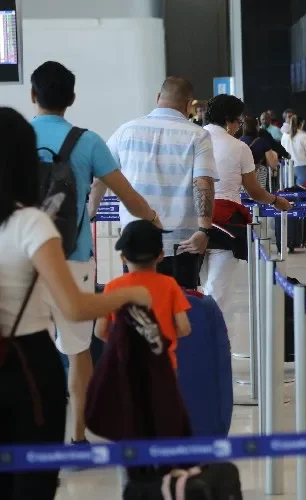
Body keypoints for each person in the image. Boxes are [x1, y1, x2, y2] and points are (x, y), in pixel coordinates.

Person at [0, 107, 151, 500]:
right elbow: (74, 307)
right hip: (28, 369)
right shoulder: (30, 223)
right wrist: (128, 293)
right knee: (31, 485)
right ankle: (78, 439)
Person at [29, 61, 160, 448]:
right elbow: (129, 197)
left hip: (22, 259)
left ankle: (31, 438)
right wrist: (152, 217)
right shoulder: (87, 142)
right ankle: (78, 437)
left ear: (33, 96)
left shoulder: (14, 137)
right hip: (73, 258)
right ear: (71, 99)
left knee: (22, 345)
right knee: (77, 349)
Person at [107, 77, 218, 289]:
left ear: (158, 98)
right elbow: (203, 181)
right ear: (188, 105)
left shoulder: (126, 130)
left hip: (136, 238)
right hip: (182, 244)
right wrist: (204, 231)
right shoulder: (198, 136)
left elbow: (102, 173)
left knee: (138, 310)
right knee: (180, 309)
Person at [201, 95, 291, 328]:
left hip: (190, 221)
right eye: (238, 122)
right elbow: (254, 191)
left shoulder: (192, 139)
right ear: (230, 120)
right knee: (217, 292)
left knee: (194, 289)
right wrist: (275, 200)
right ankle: (214, 345)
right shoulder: (238, 147)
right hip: (226, 224)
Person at [94, 220, 192, 371]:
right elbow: (184, 328)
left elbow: (100, 331)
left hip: (125, 363)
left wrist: (121, 344)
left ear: (123, 258)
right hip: (162, 365)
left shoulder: (112, 287)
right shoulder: (169, 285)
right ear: (160, 256)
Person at [282, 113, 306, 185]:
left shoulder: (284, 136)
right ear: (301, 124)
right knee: (303, 194)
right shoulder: (304, 136)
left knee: (288, 194)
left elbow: (282, 152)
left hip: (288, 168)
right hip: (303, 167)